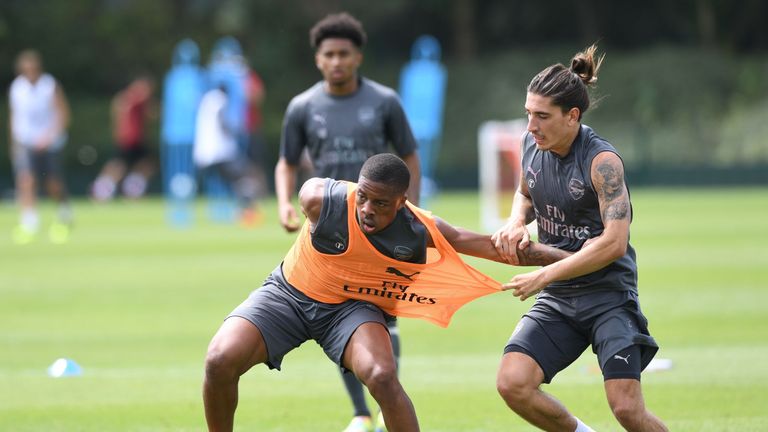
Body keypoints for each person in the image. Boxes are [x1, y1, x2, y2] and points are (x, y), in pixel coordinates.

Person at [204, 153, 573, 432]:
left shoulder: (420, 228)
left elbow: (493, 247)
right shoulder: (319, 198)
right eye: (363, 197)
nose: (367, 209)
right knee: (219, 359)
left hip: (352, 308)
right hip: (290, 294)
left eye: (380, 204)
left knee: (381, 375)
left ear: (402, 202)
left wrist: (575, 258)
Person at [491, 45, 668, 432]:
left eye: (541, 116)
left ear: (572, 116)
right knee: (513, 384)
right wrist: (515, 221)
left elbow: (614, 243)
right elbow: (525, 193)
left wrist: (543, 276)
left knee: (626, 410)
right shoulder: (530, 146)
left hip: (608, 297)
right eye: (528, 114)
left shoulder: (602, 162)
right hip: (559, 299)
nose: (530, 126)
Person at [273, 13, 421, 432]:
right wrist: (285, 203)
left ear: (357, 57)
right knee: (336, 312)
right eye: (329, 54)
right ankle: (361, 411)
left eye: (344, 53)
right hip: (331, 227)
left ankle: (381, 399)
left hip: (383, 226)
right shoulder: (303, 106)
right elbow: (286, 162)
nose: (336, 61)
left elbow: (409, 155)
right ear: (318, 60)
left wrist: (413, 206)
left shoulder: (384, 101)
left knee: (382, 315)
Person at [8, 49, 73, 244]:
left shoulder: (49, 85)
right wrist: (13, 142)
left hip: (50, 142)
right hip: (25, 141)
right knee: (26, 180)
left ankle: (64, 214)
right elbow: (14, 117)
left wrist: (49, 136)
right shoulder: (17, 88)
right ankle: (30, 222)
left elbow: (63, 114)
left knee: (52, 182)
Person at [194, 84, 260, 224]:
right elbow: (222, 121)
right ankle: (245, 209)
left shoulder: (207, 99)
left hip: (204, 152)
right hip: (220, 151)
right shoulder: (220, 99)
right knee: (242, 178)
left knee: (224, 181)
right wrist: (234, 131)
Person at [91, 75, 156, 201]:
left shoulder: (123, 98)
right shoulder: (134, 98)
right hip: (130, 140)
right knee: (119, 167)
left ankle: (129, 189)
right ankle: (103, 191)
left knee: (143, 165)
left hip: (132, 140)